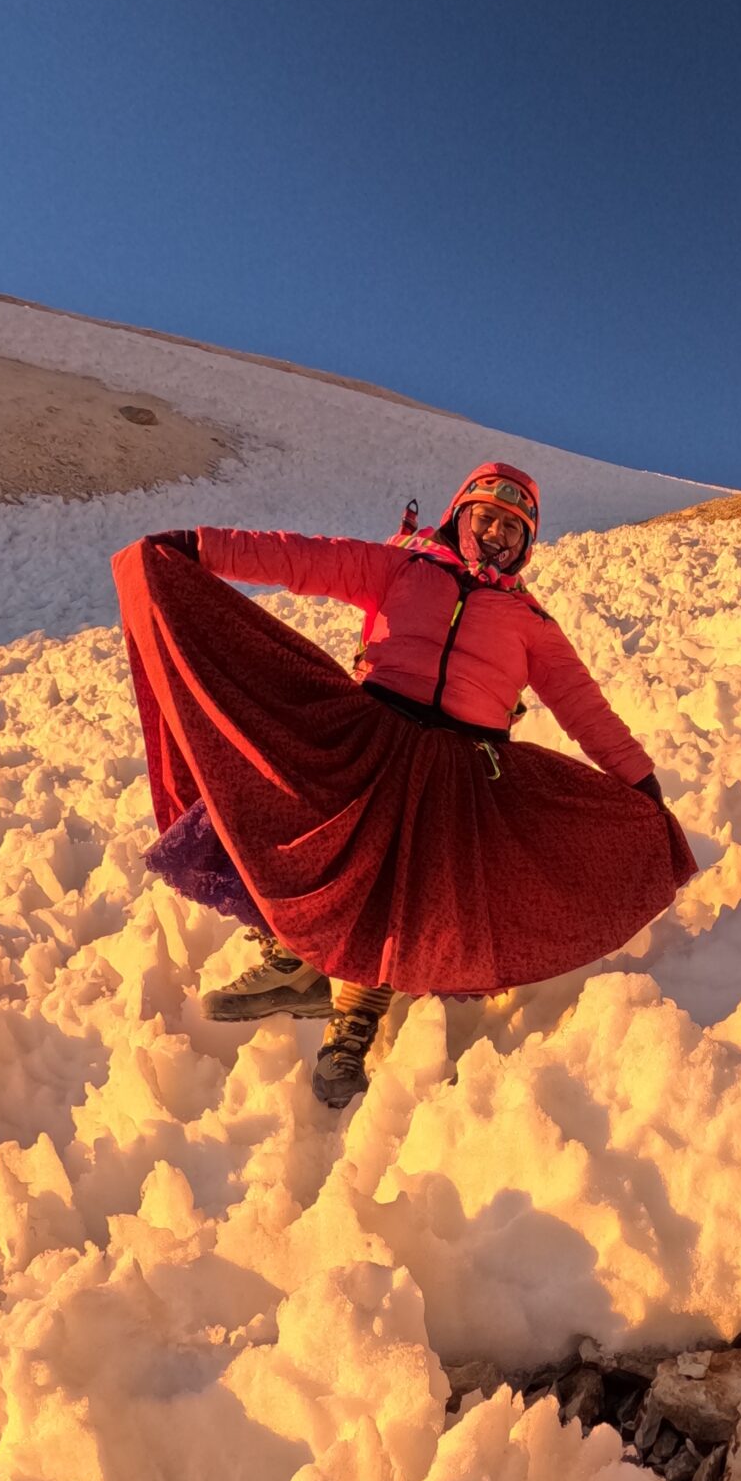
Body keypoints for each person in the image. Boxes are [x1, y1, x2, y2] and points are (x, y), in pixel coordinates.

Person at [111, 462, 695, 1106]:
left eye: (514, 528)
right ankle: (295, 962)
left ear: (527, 545)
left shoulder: (532, 624)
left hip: (459, 769)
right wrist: (200, 548)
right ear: (460, 516)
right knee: (286, 819)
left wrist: (639, 783)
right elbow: (302, 559)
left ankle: (352, 1026)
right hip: (371, 735)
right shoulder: (402, 568)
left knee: (405, 890)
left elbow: (587, 710)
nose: (497, 534)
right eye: (488, 518)